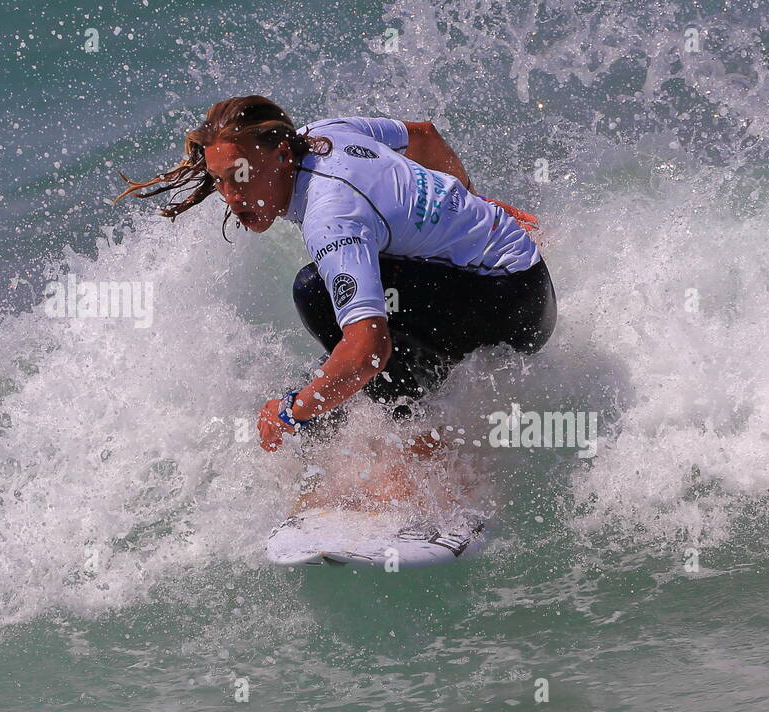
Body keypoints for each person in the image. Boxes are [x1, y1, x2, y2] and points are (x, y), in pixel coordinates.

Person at [114, 95, 556, 453]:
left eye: (241, 176)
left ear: (282, 153)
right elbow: (423, 136)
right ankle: (409, 394)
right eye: (220, 181)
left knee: (316, 295)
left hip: (511, 313)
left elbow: (368, 349)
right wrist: (473, 208)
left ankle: (422, 446)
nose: (231, 196)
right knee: (335, 342)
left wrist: (293, 411)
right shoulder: (323, 134)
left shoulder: (331, 217)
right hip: (522, 277)